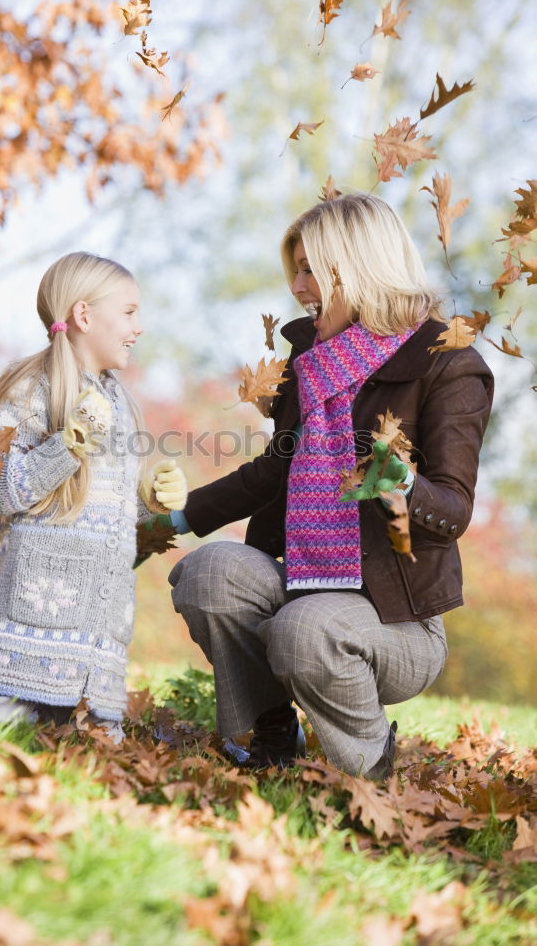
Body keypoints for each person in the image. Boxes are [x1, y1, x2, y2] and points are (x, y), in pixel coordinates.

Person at [165, 193, 493, 779]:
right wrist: (169, 522)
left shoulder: (448, 363)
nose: (296, 286)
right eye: (294, 270)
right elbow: (274, 471)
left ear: (359, 266)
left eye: (311, 269)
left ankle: (370, 769)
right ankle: (272, 736)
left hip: (398, 622)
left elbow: (455, 508)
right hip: (303, 584)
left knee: (305, 629)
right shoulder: (311, 361)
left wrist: (404, 486)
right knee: (208, 573)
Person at [0, 252, 187, 741]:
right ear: (85, 315)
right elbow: (3, 491)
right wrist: (67, 445)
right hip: (22, 630)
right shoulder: (29, 389)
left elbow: (112, 522)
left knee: (98, 741)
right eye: (129, 312)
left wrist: (149, 499)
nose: (139, 326)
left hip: (94, 649)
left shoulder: (121, 404)